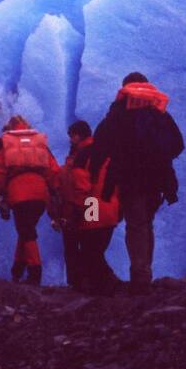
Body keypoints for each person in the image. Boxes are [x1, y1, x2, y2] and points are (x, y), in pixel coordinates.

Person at [93, 73, 184, 295]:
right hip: (156, 178)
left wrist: (98, 172)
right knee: (146, 223)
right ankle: (145, 272)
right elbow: (178, 145)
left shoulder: (119, 113)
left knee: (135, 224)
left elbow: (101, 143)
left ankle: (139, 275)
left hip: (129, 177)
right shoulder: (159, 113)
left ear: (125, 88)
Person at [0, 115, 61, 285]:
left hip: (18, 193)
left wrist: (2, 191)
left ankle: (35, 272)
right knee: (26, 230)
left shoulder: (5, 142)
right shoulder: (39, 142)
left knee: (26, 231)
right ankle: (17, 270)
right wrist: (54, 191)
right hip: (40, 193)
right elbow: (53, 169)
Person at [53, 120, 120, 294]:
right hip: (110, 205)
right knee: (93, 248)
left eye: (71, 135)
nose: (69, 139)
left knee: (90, 248)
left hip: (93, 204)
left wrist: (77, 211)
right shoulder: (105, 153)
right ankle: (97, 285)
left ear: (77, 135)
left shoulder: (83, 156)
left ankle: (106, 284)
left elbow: (83, 188)